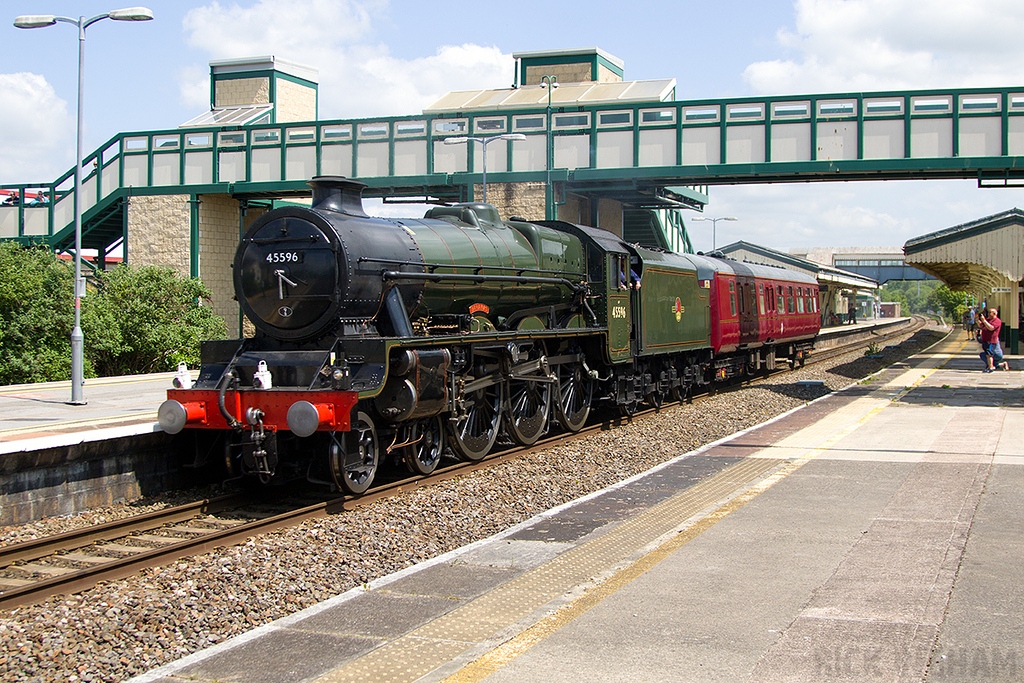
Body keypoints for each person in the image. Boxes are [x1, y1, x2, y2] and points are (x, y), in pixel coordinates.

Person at [977, 308, 1004, 372]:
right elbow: (981, 325)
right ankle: (996, 365)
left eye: (990, 312)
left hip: (991, 340)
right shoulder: (988, 319)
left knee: (989, 354)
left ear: (994, 314)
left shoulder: (997, 321)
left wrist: (984, 321)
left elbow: (991, 328)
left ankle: (991, 368)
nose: (988, 314)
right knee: (986, 354)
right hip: (985, 340)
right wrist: (978, 320)